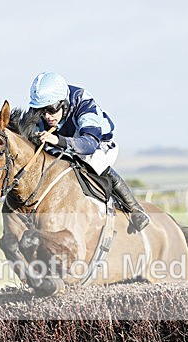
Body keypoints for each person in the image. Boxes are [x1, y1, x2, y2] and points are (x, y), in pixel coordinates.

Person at [28, 71, 150, 232]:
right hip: (62, 145)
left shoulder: (83, 102)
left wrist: (58, 141)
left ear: (63, 102)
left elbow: (89, 144)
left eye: (51, 109)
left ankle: (135, 209)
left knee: (94, 162)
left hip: (97, 144)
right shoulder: (39, 110)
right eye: (42, 111)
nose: (47, 116)